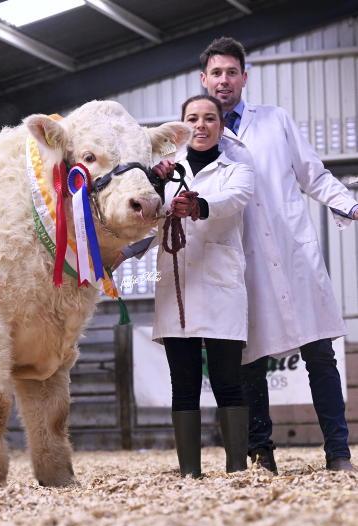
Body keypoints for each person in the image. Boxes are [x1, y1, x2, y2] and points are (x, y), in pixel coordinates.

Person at [199, 37, 358, 473]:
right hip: (241, 263)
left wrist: (350, 205)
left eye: (232, 72)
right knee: (250, 363)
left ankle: (338, 454)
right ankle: (262, 455)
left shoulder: (275, 120)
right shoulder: (200, 133)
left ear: (244, 78)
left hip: (293, 253)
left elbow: (313, 175)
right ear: (204, 79)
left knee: (320, 355)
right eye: (217, 73)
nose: (224, 80)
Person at [151, 94, 254, 478]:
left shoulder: (238, 170)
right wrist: (153, 181)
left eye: (210, 118)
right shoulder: (163, 173)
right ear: (182, 126)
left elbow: (232, 200)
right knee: (184, 384)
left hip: (220, 287)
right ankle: (190, 473)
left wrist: (198, 205)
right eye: (192, 118)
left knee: (228, 382)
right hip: (177, 286)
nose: (201, 125)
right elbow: (145, 216)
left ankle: (237, 470)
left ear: (221, 126)